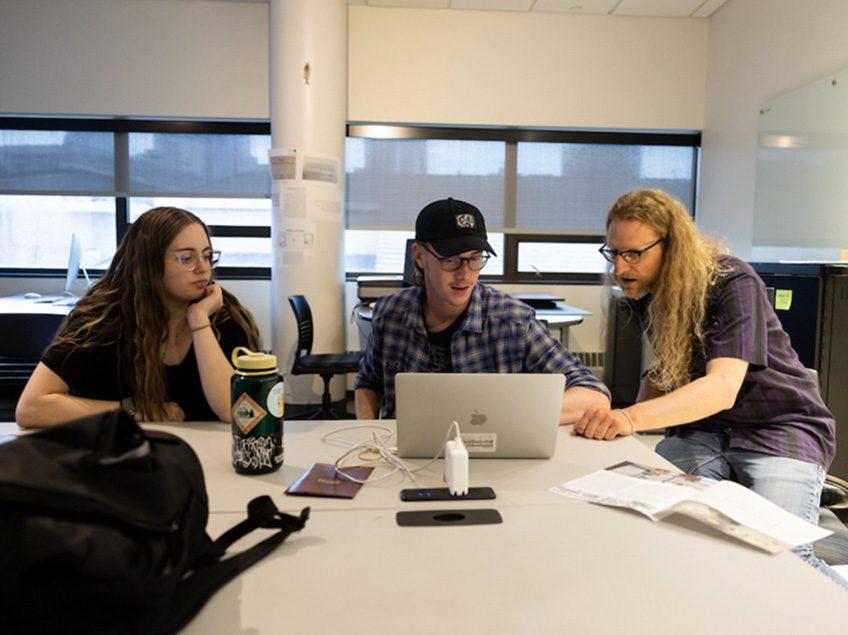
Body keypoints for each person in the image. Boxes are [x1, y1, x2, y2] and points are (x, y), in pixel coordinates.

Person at [573, 188, 845, 588]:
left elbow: (721, 387)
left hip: (780, 428)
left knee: (783, 553)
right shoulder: (652, 291)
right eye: (613, 253)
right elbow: (667, 374)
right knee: (653, 529)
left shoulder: (732, 280)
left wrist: (628, 417)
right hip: (705, 433)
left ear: (672, 245)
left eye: (633, 253)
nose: (619, 267)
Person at [355, 197, 610, 421]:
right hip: (403, 456)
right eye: (451, 260)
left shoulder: (513, 321)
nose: (465, 274)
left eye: (475, 259)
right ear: (419, 256)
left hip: (488, 457)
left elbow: (594, 394)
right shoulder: (390, 314)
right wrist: (366, 435)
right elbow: (368, 383)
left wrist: (516, 415)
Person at [15, 207, 261, 426]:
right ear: (149, 264)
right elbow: (30, 408)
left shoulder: (223, 315)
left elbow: (237, 412)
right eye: (187, 258)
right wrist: (133, 410)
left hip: (208, 463)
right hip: (120, 460)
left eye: (207, 255)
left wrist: (199, 321)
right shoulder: (103, 320)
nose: (203, 267)